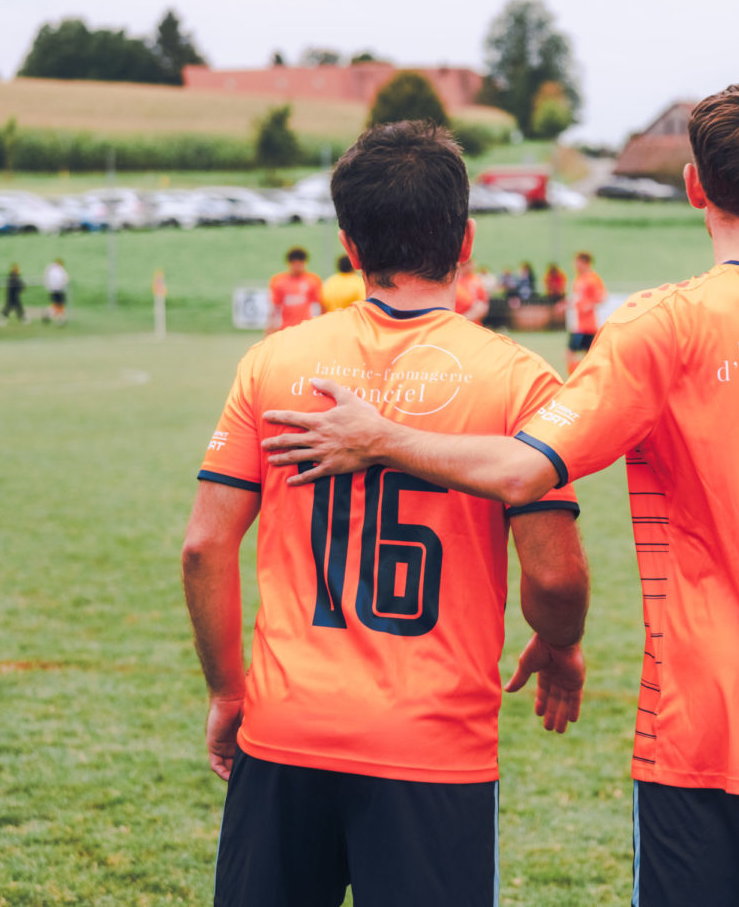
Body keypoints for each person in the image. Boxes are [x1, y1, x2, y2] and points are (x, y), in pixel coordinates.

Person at [262, 81, 739, 907]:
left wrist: (381, 438)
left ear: (694, 187)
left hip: (701, 732)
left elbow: (522, 471)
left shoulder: (662, 327)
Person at [181, 121, 591, 906]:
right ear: (466, 239)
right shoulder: (518, 379)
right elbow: (554, 576)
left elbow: (205, 545)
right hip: (432, 746)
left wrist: (228, 694)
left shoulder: (273, 363)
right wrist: (561, 643)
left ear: (348, 244)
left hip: (286, 729)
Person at [565, 250, 607, 373]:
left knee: (572, 354)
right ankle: (583, 377)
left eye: (577, 262)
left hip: (587, 326)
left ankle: (576, 377)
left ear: (585, 263)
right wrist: (566, 305)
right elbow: (577, 298)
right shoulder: (579, 279)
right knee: (586, 356)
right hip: (578, 325)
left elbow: (602, 296)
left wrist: (589, 304)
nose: (575, 265)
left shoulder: (593, 279)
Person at [267, 247, 322, 333]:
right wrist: (270, 329)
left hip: (307, 328)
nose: (297, 267)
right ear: (289, 263)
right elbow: (275, 309)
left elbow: (319, 306)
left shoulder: (313, 280)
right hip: (285, 330)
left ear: (305, 263)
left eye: (300, 264)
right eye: (294, 264)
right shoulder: (278, 281)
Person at [44, 258, 69, 325]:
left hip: (53, 290)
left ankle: (51, 315)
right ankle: (59, 319)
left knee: (56, 305)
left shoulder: (51, 270)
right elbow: (63, 279)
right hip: (59, 290)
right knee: (59, 305)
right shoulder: (59, 271)